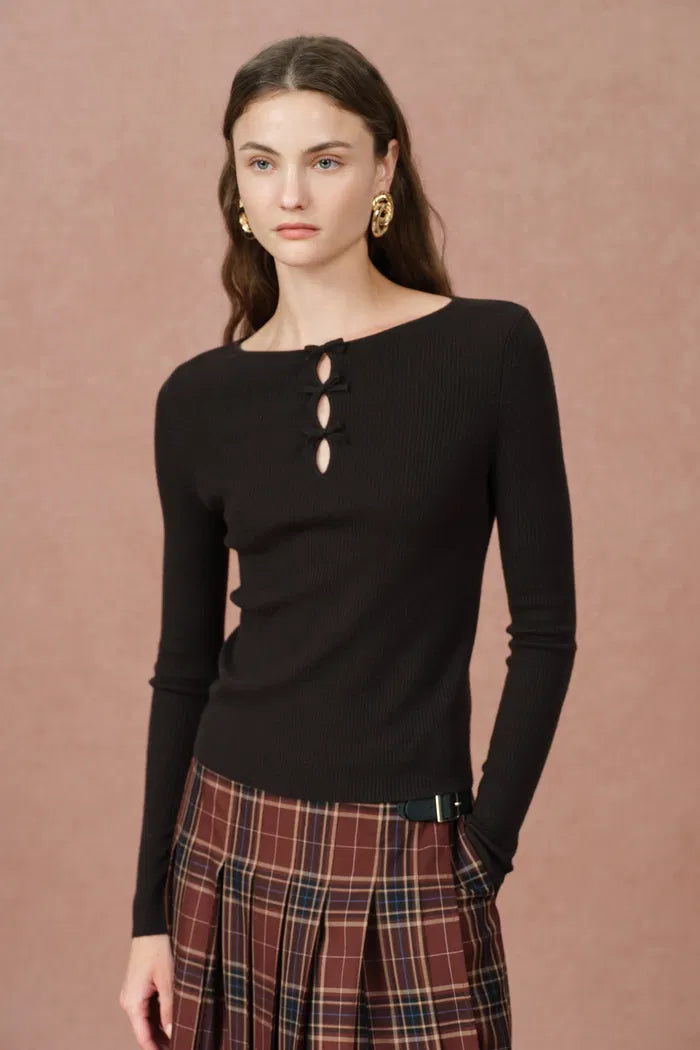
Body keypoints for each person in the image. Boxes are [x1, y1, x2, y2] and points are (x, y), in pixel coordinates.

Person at [120, 33, 577, 1050]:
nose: (291, 193)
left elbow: (545, 631)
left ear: (383, 168)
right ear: (236, 183)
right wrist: (148, 914)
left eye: (325, 159)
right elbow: (183, 667)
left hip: (413, 850)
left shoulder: (491, 351)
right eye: (262, 162)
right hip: (225, 848)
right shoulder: (197, 399)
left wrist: (482, 850)